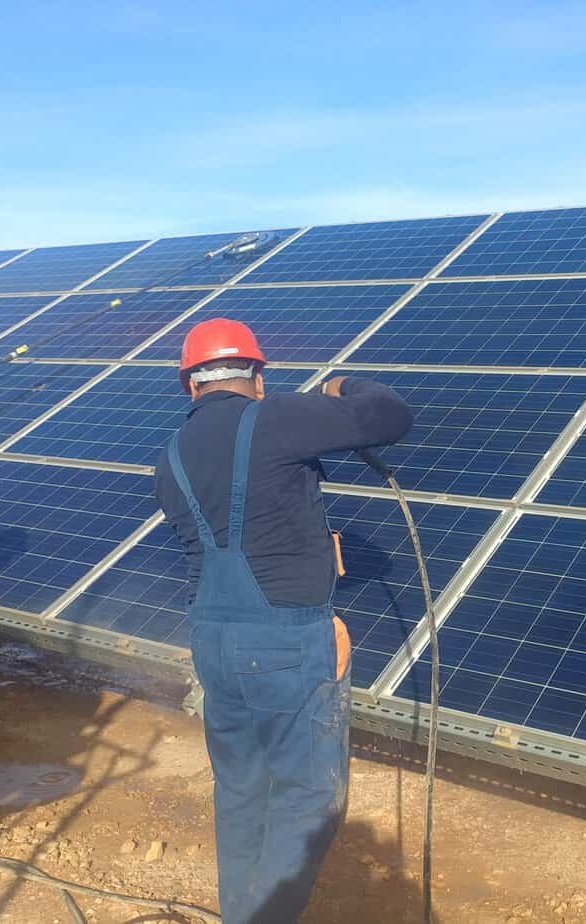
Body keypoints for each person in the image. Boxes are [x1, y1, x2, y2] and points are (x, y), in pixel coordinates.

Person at [154, 318, 413, 923]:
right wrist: (341, 387)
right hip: (284, 643)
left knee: (240, 791)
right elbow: (390, 416)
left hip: (212, 642)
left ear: (190, 384)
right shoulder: (279, 417)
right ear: (258, 376)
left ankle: (241, 913)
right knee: (309, 798)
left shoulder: (170, 457)